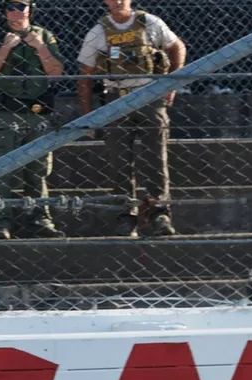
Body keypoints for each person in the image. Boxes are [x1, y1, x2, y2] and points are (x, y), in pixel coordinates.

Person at [77, 0, 186, 237]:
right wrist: (88, 115)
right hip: (116, 99)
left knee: (156, 159)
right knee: (119, 163)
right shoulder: (98, 32)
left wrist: (173, 83)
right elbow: (84, 75)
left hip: (149, 96)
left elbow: (177, 47)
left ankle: (160, 214)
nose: (117, 2)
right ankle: (125, 217)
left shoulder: (150, 23)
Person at [0, 0, 65, 240]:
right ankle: (1, 221)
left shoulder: (44, 35)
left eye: (20, 5)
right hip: (6, 111)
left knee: (38, 169)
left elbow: (56, 71)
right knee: (1, 169)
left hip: (38, 111)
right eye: (10, 7)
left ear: (30, 9)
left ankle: (40, 219)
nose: (16, 11)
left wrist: (40, 48)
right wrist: (6, 48)